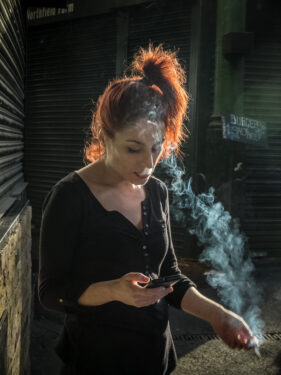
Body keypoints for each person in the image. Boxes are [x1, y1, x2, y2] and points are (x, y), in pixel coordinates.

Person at [38, 44, 257, 375]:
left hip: (156, 357)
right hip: (95, 361)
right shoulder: (69, 196)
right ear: (105, 136)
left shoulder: (157, 192)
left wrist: (218, 315)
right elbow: (50, 292)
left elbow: (168, 274)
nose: (147, 164)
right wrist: (112, 290)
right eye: (133, 149)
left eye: (157, 149)